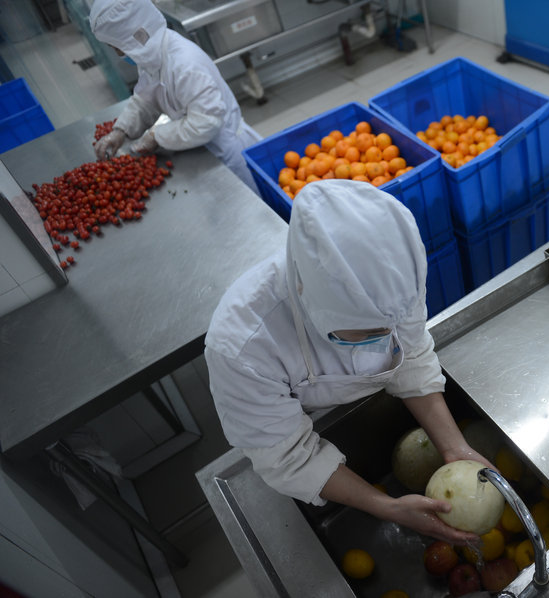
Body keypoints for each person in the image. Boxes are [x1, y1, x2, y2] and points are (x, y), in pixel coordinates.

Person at [204, 179, 492, 545]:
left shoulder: (391, 276)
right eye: (365, 332)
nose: (387, 336)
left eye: (392, 323)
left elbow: (412, 354)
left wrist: (455, 449)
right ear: (305, 292)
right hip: (288, 426)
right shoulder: (242, 347)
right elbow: (289, 457)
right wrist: (385, 505)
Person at [89, 0, 261, 194]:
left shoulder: (184, 64)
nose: (118, 53)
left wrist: (157, 136)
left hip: (227, 154)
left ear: (133, 36)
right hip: (201, 150)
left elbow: (207, 123)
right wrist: (121, 130)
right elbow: (149, 96)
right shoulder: (152, 54)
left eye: (116, 46)